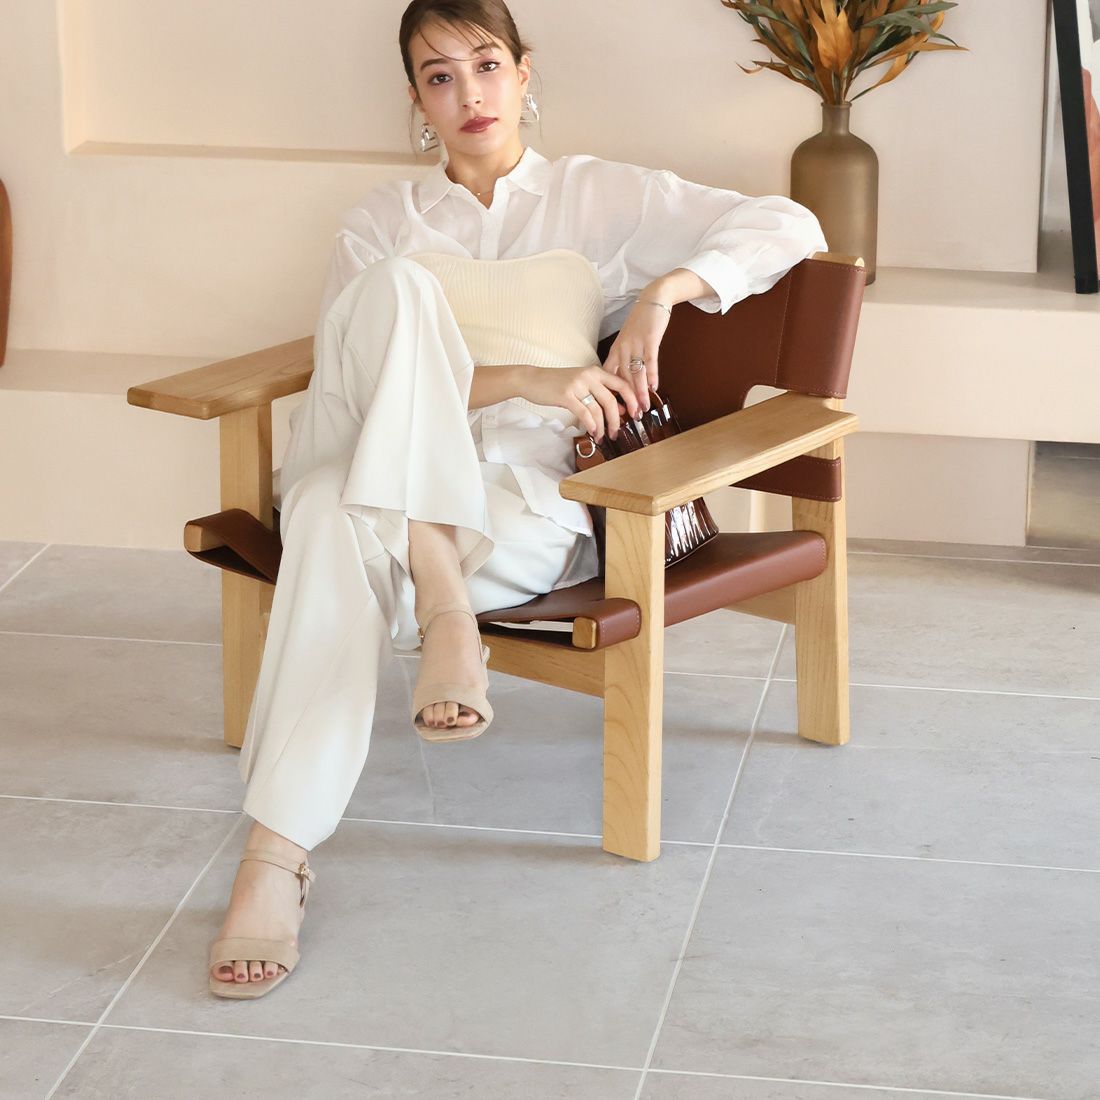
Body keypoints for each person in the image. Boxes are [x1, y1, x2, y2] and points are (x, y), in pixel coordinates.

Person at [208, 0, 828, 997]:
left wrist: (661, 295)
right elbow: (355, 387)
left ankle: (271, 861)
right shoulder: (380, 223)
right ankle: (442, 603)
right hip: (381, 464)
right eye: (439, 76)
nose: (469, 93)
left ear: (524, 73)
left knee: (323, 515)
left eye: (486, 64)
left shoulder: (599, 197)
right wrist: (536, 379)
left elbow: (790, 224)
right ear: (416, 101)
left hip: (515, 505)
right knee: (396, 294)